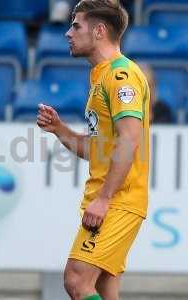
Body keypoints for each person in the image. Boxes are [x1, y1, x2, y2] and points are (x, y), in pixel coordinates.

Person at [37, 1, 150, 299]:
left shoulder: (121, 76)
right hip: (111, 198)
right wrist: (60, 130)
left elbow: (129, 140)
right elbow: (101, 149)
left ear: (99, 31)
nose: (67, 33)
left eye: (76, 25)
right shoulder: (101, 75)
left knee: (76, 279)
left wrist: (104, 198)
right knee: (102, 288)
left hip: (119, 200)